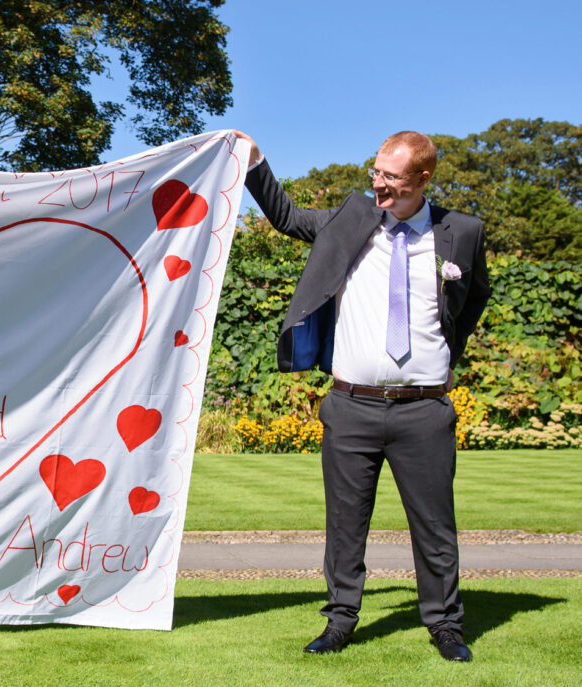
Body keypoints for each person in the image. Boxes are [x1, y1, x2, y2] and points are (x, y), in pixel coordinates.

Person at [234, 130, 490, 661]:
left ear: (422, 179)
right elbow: (284, 215)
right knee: (344, 523)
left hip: (425, 410)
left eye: (391, 177)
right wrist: (255, 161)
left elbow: (473, 298)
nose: (378, 184)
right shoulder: (350, 216)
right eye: (375, 171)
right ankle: (340, 621)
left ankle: (446, 626)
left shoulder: (462, 232)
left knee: (436, 525)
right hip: (351, 405)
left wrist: (445, 355)